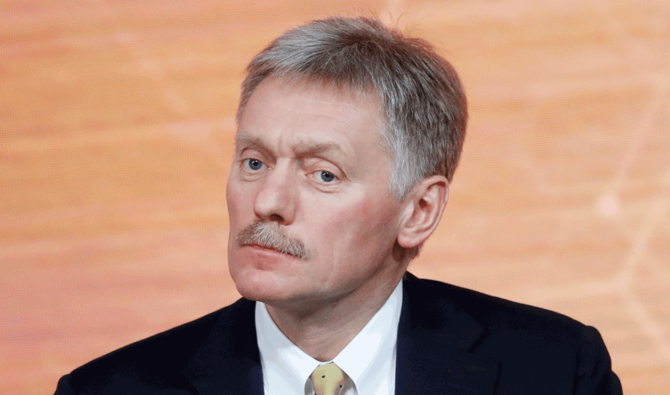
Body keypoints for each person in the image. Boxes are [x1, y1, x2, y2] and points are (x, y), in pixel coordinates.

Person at [54, 16, 622, 395]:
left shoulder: (553, 370)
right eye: (253, 162)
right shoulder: (108, 388)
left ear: (419, 210)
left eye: (323, 174)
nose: (268, 203)